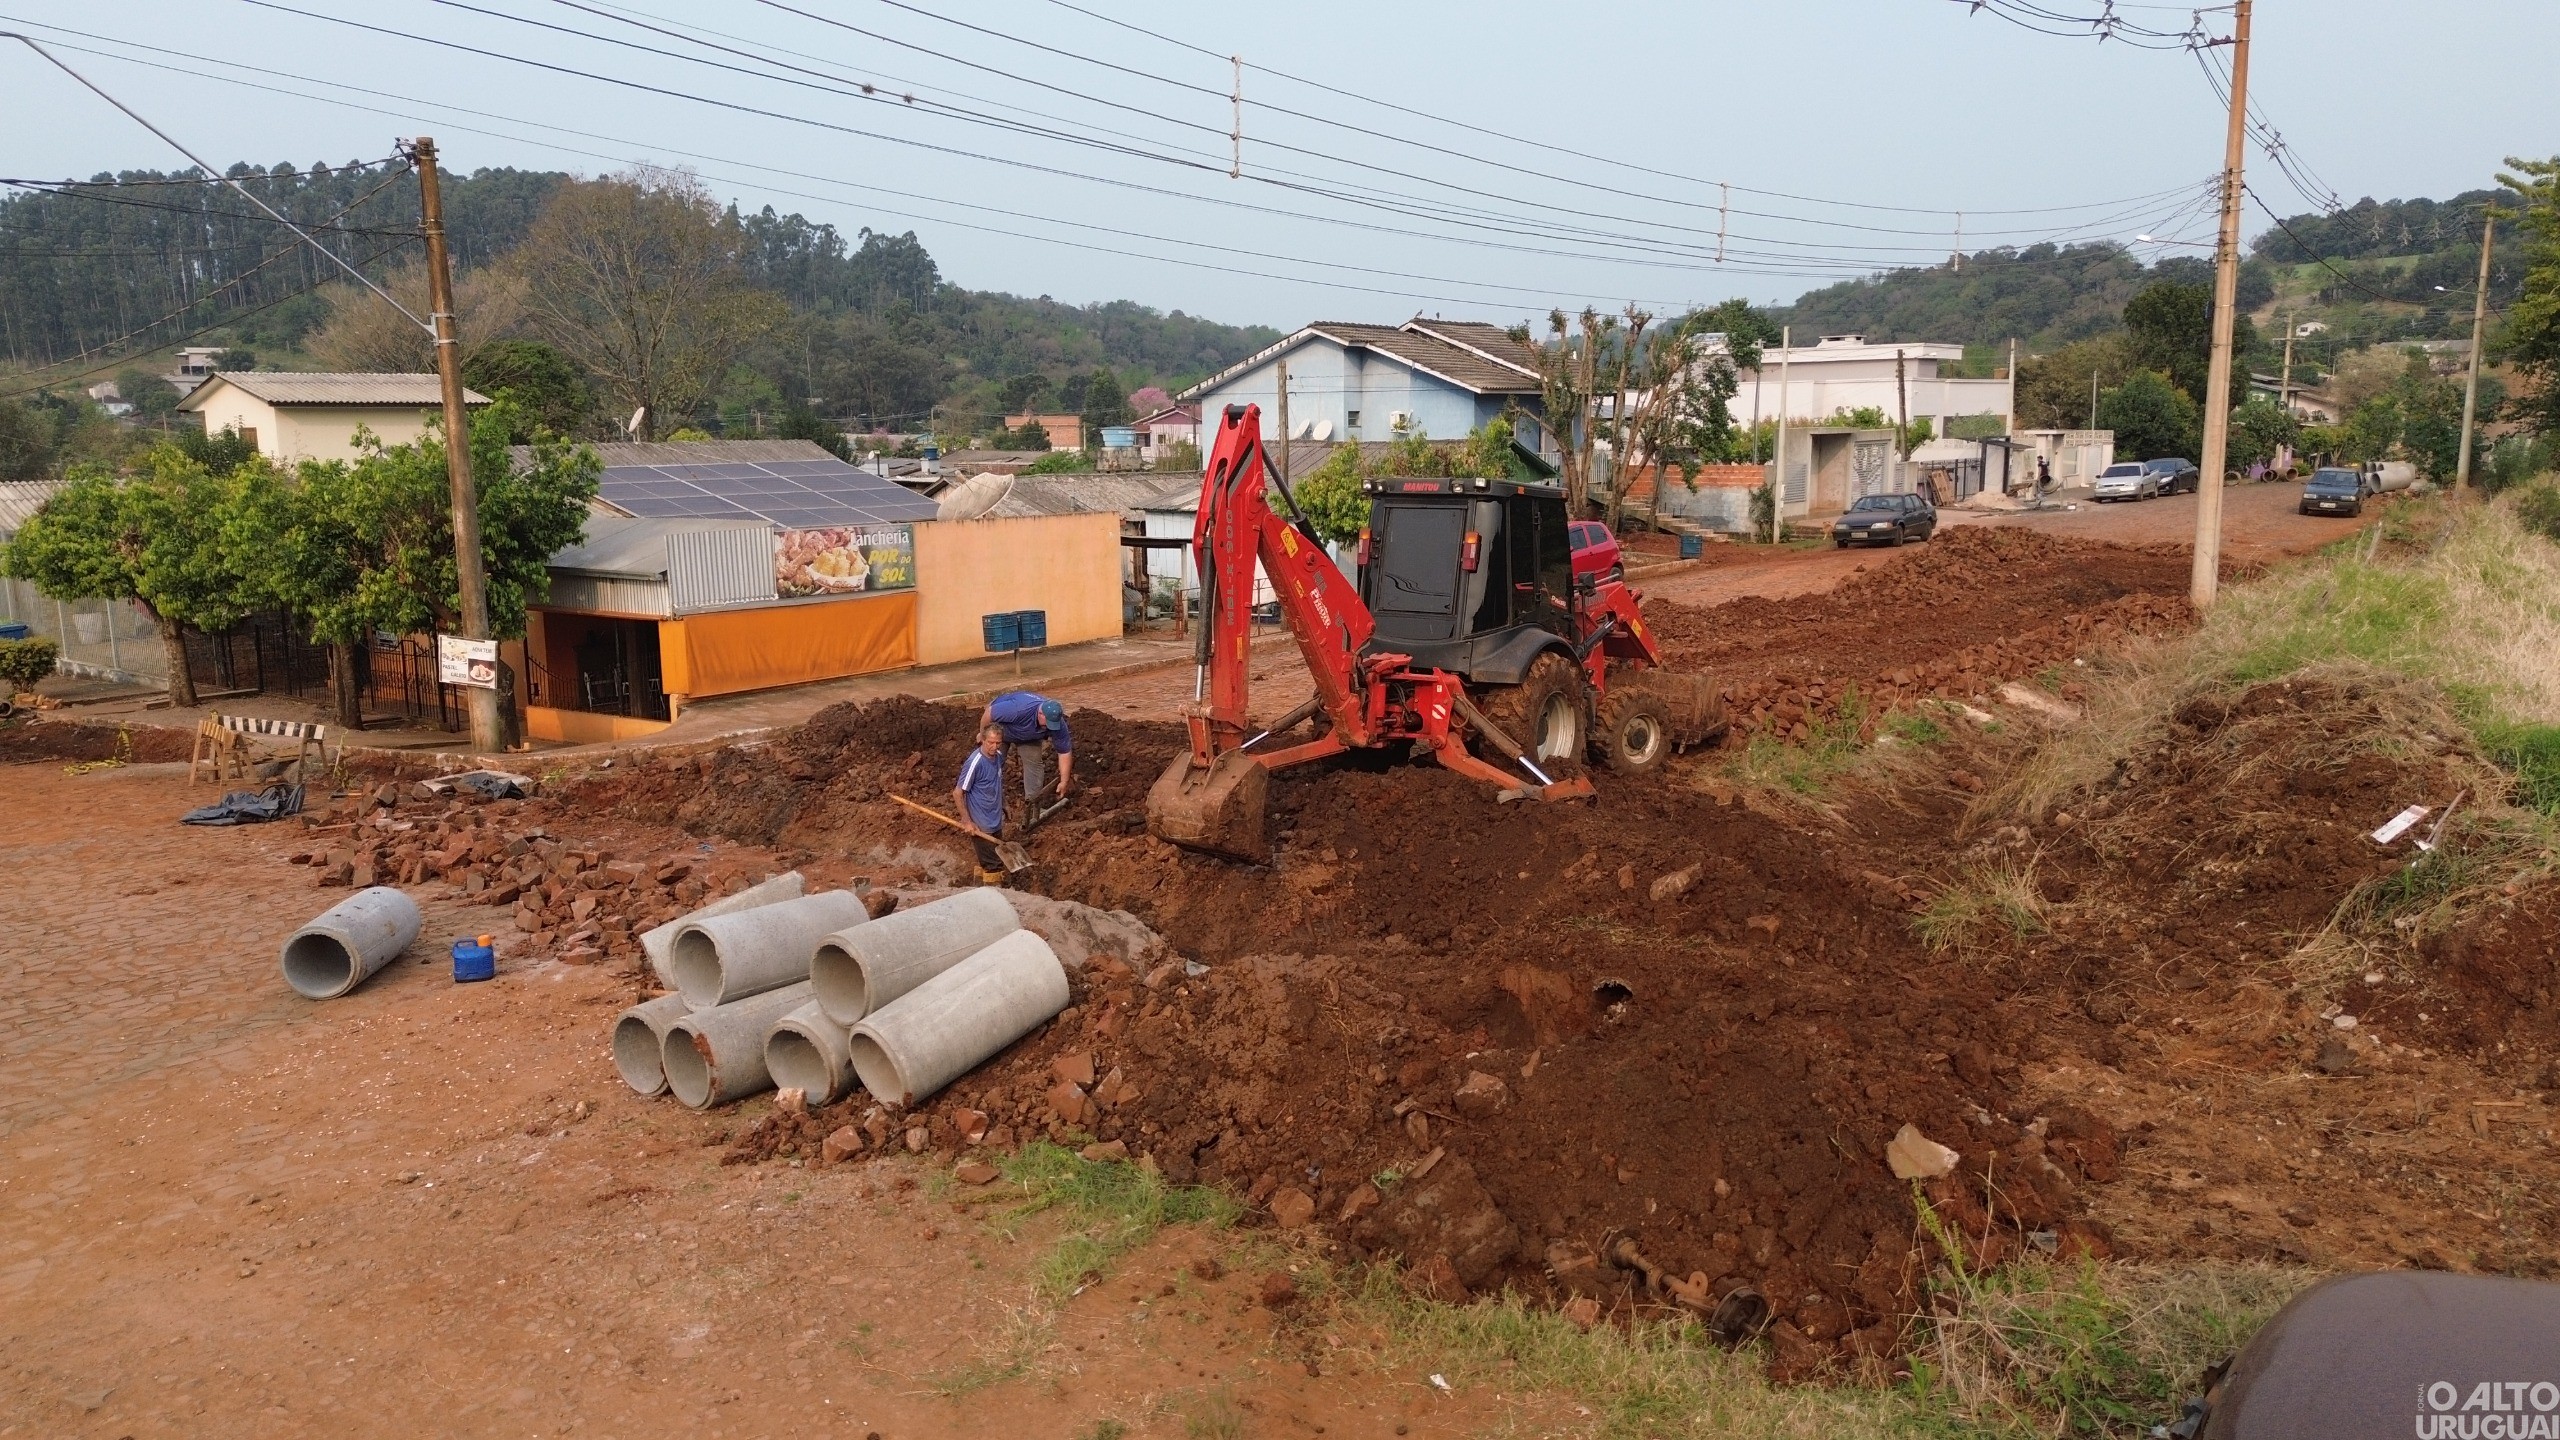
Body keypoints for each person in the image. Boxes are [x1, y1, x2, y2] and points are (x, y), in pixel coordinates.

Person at [980, 690, 1073, 811]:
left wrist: (1064, 781)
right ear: (1040, 714)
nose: (1049, 728)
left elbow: (1064, 752)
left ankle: (1032, 807)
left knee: (1034, 765)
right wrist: (982, 735)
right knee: (991, 763)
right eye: (1047, 725)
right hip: (1001, 730)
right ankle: (987, 801)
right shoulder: (1018, 709)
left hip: (1028, 737)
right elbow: (989, 713)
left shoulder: (1056, 721)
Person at [953, 723, 1009, 886]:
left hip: (995, 818)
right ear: (982, 740)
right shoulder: (975, 762)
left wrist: (1004, 804)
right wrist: (967, 821)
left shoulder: (998, 757)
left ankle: (979, 889)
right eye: (990, 742)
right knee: (993, 865)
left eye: (998, 743)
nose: (994, 746)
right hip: (981, 823)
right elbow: (957, 793)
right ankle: (995, 898)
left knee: (988, 860)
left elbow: (996, 782)